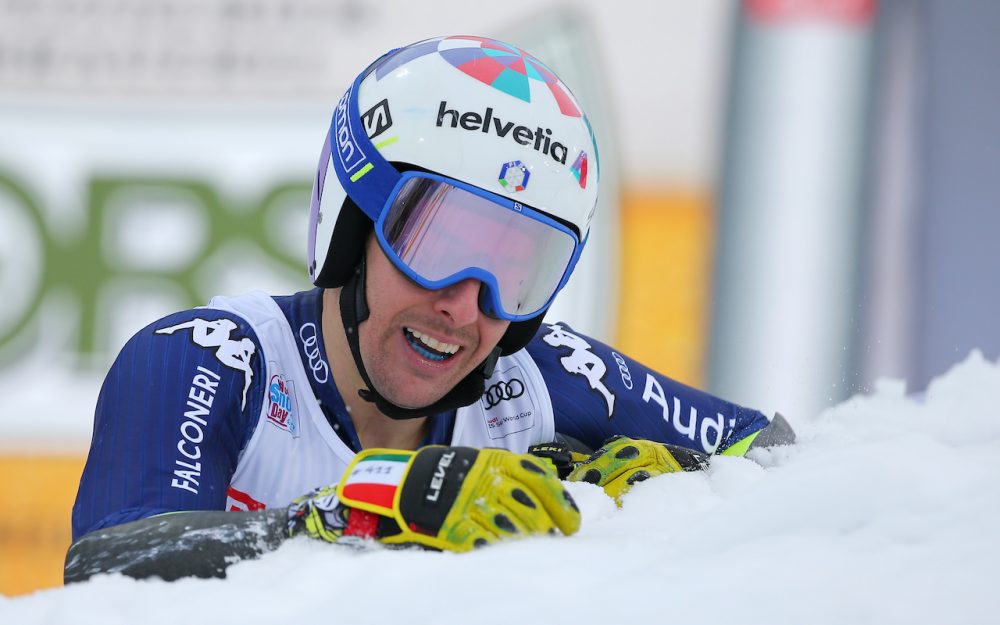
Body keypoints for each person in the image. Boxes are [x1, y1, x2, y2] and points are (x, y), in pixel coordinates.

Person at [65, 35, 793, 583]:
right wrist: (350, 514)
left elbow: (794, 463)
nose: (466, 306)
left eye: (517, 268)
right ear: (352, 229)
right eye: (439, 242)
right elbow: (102, 574)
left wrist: (692, 493)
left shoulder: (542, 381)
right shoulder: (208, 359)